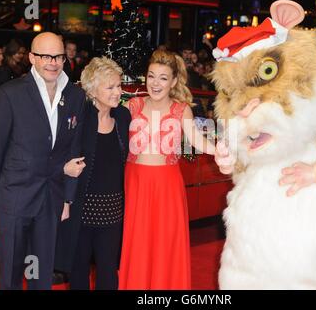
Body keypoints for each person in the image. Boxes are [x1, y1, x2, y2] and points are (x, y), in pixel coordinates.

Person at [0, 32, 86, 289]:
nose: (52, 62)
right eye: (45, 56)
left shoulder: (74, 96)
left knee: (41, 270)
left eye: (58, 56)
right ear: (31, 58)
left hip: (51, 198)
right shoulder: (9, 94)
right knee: (13, 270)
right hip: (15, 196)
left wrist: (68, 199)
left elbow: (74, 148)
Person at [118, 49, 216, 290]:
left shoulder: (182, 109)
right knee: (137, 242)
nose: (155, 83)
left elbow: (196, 140)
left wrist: (221, 150)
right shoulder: (132, 105)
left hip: (167, 186)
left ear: (173, 81)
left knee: (164, 243)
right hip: (136, 183)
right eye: (151, 76)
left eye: (163, 77)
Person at [55, 57, 131, 290]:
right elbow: (58, 154)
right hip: (82, 208)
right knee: (78, 270)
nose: (118, 92)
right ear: (92, 89)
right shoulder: (78, 118)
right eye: (110, 87)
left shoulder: (122, 117)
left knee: (108, 271)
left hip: (113, 211)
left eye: (119, 86)